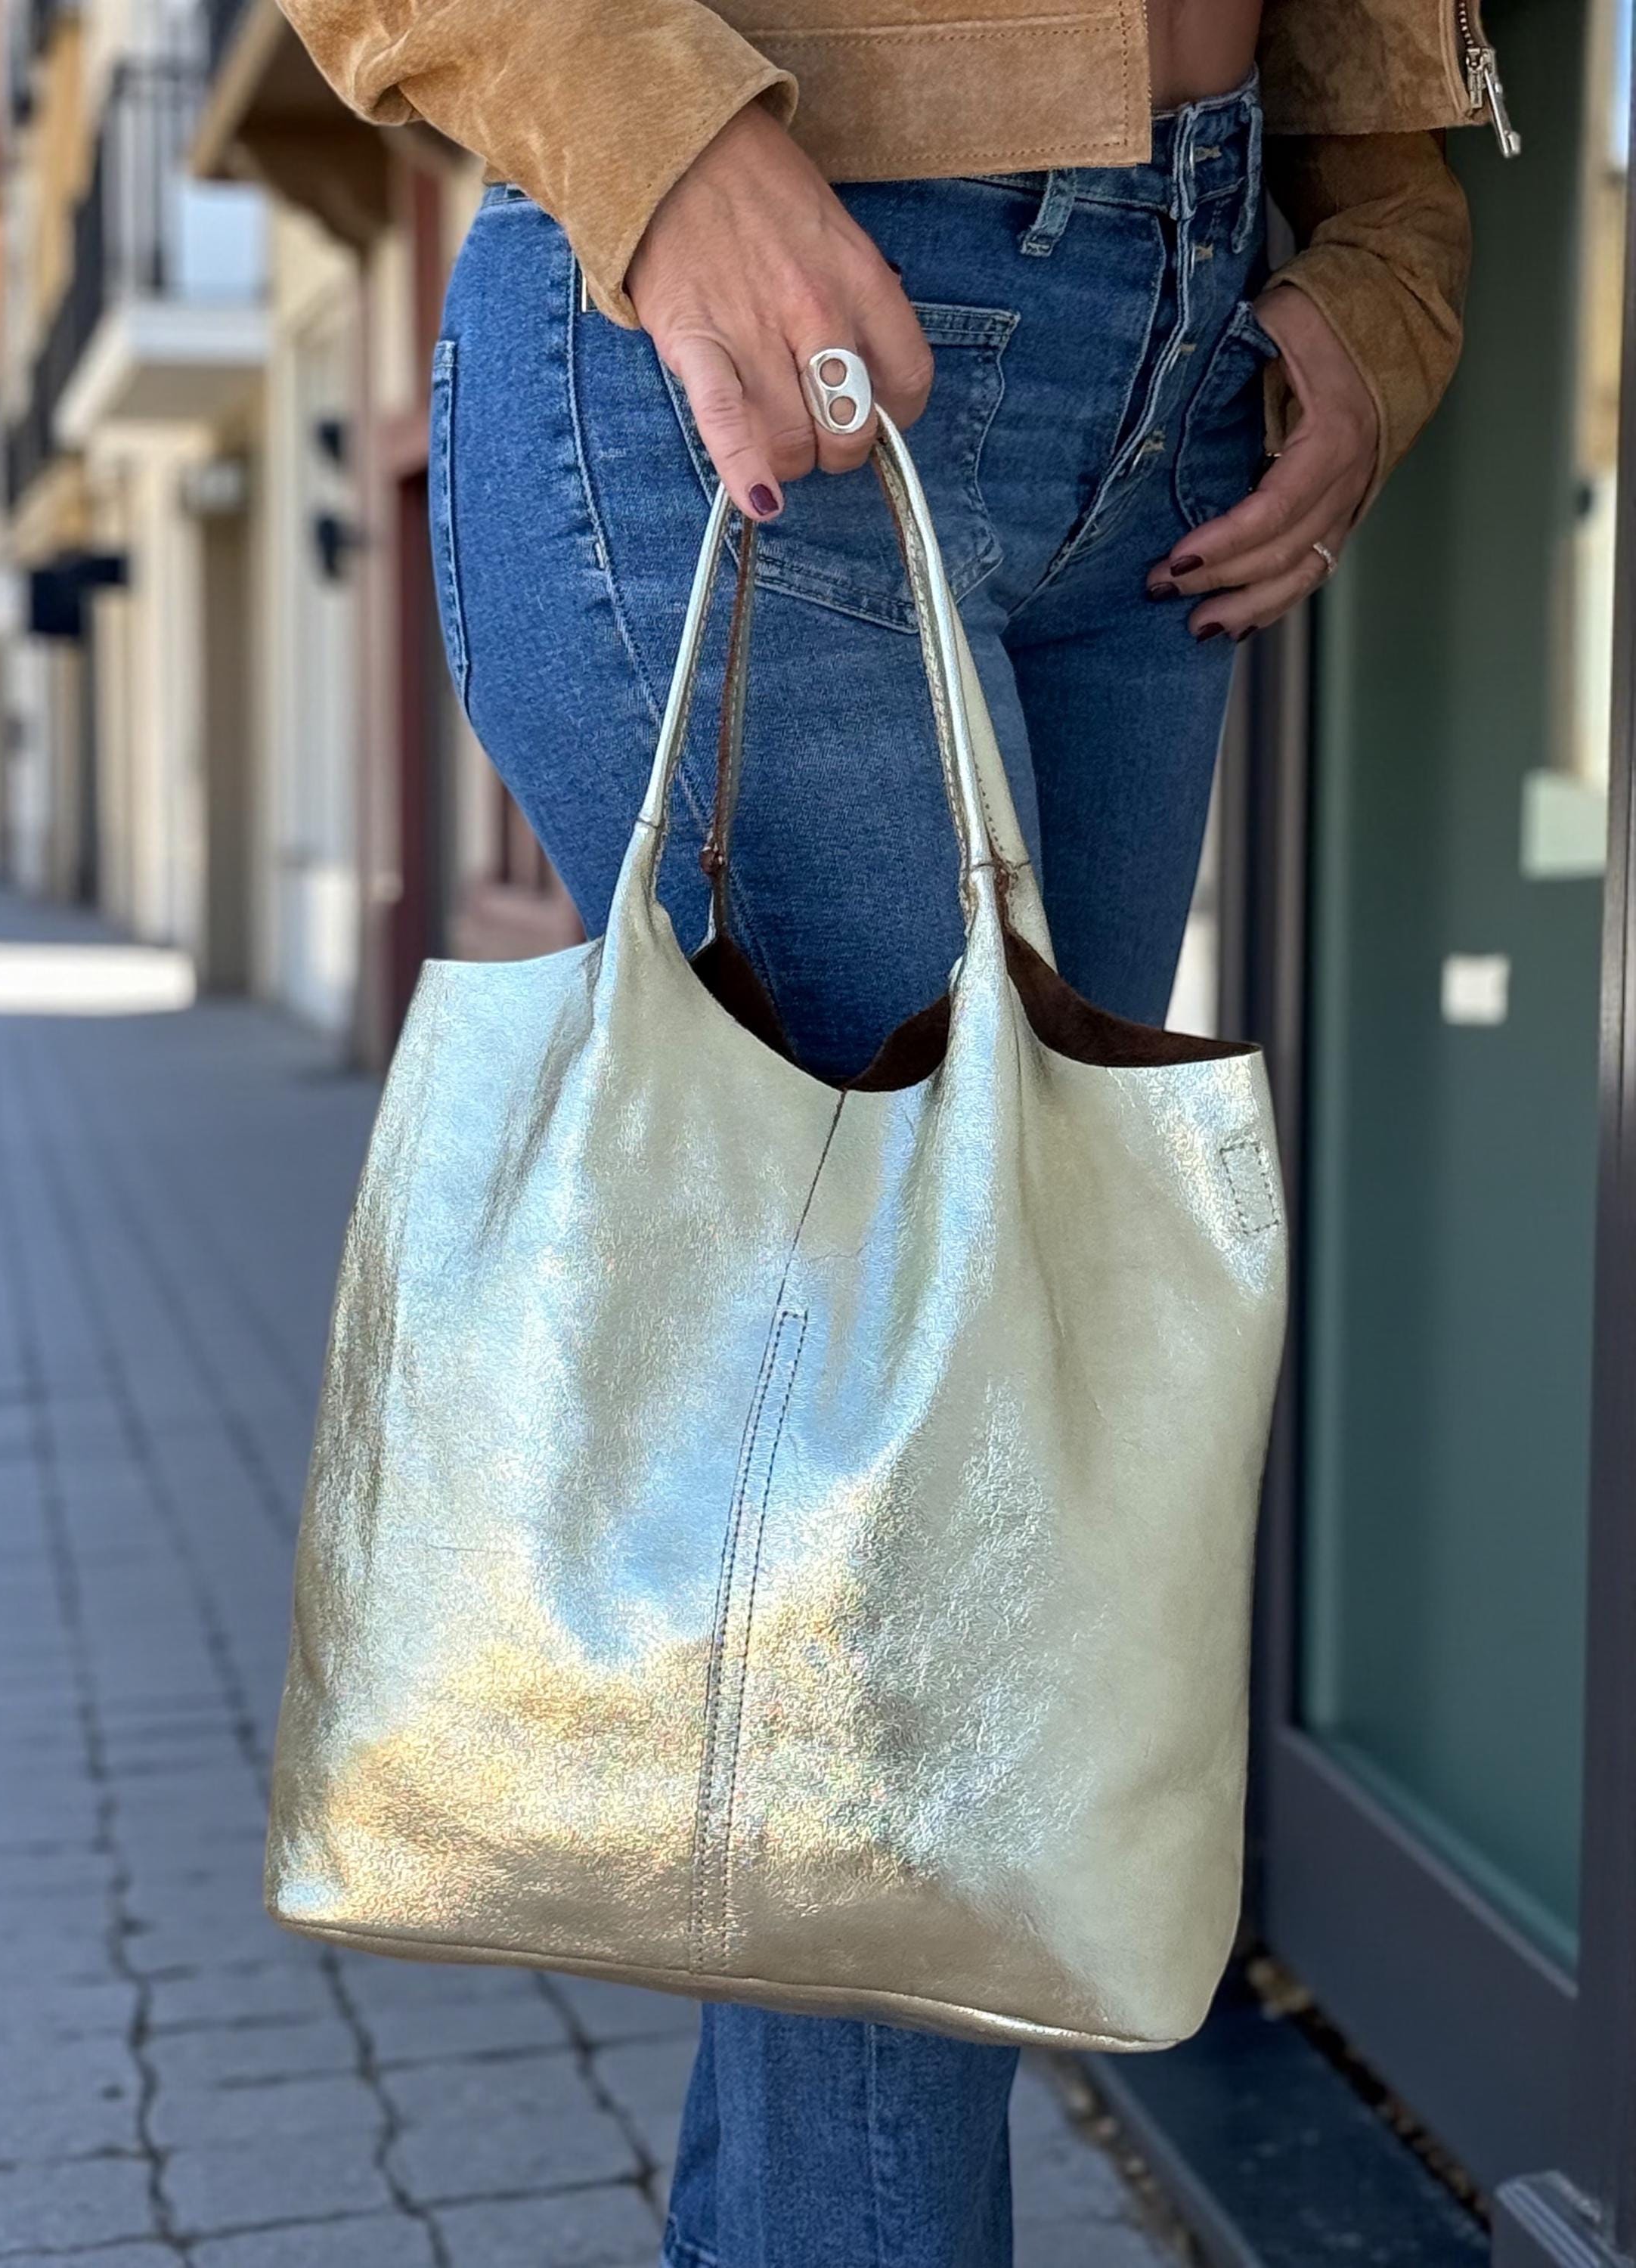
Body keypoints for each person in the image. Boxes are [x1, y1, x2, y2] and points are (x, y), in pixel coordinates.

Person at [277, 0, 1489, 2257]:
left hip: (1184, 383)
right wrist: (651, 137)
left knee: (939, 1594)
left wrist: (1388, 247)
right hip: (756, 331)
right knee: (907, 1646)